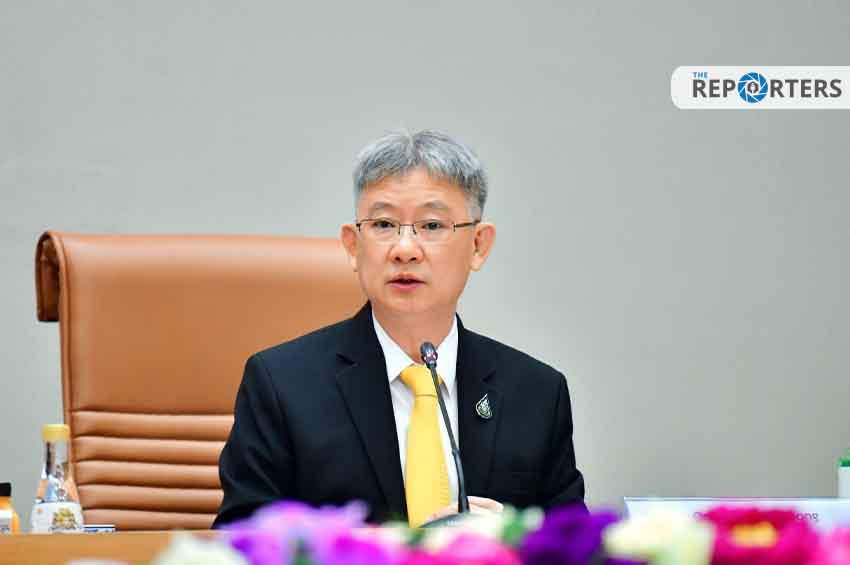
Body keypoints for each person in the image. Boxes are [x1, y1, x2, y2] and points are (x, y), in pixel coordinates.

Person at [214, 130, 584, 527]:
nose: (405, 249)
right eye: (384, 224)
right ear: (353, 246)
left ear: (478, 245)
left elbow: (574, 543)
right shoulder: (281, 385)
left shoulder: (536, 394)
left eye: (432, 225)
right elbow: (241, 541)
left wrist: (514, 535)